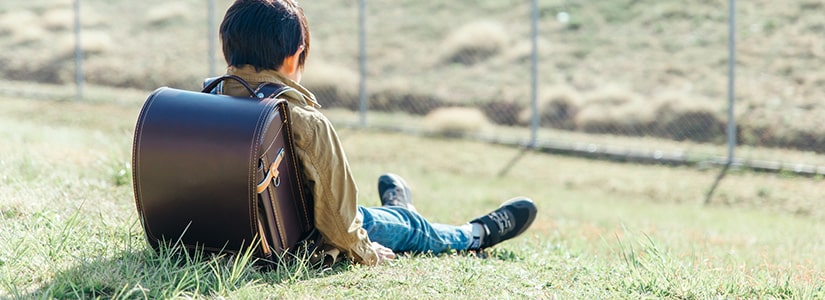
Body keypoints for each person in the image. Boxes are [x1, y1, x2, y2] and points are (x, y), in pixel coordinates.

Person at [217, 0, 537, 265]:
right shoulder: (303, 120)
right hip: (301, 242)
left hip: (224, 238)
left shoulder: (204, 107)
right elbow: (340, 222)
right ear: (294, 55)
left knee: (392, 220)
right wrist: (367, 253)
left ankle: (399, 211)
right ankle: (474, 234)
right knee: (408, 228)